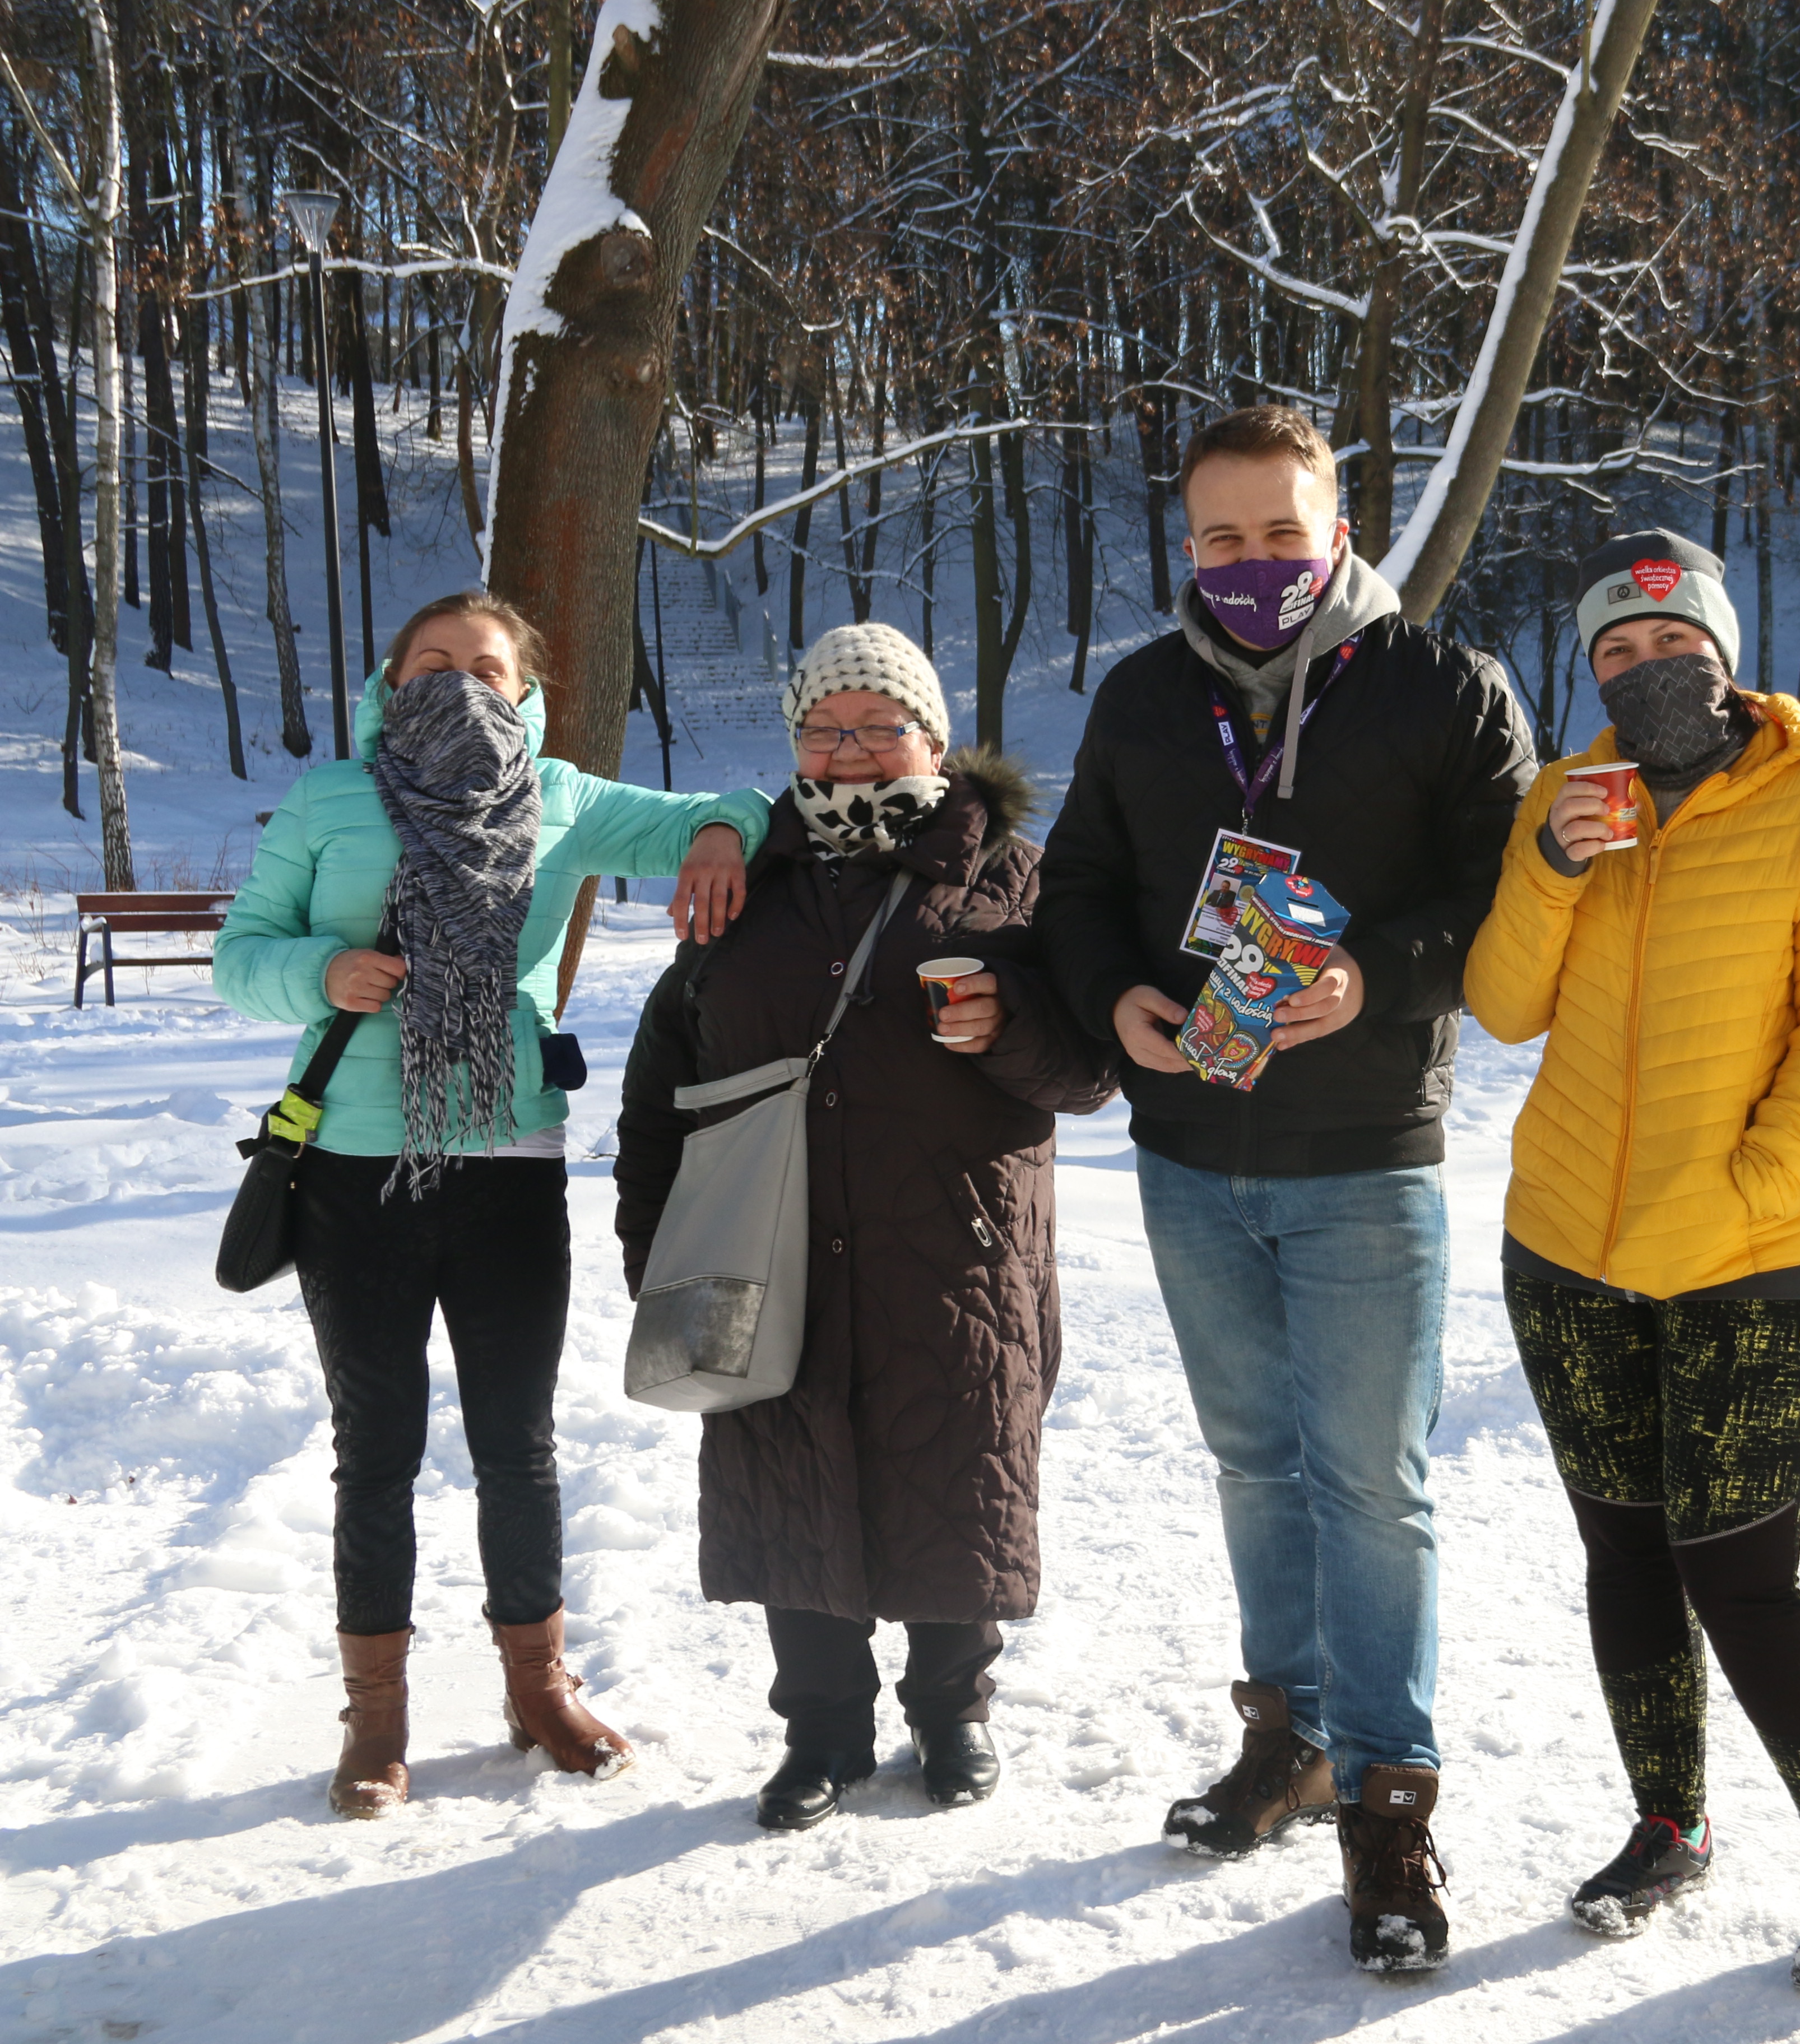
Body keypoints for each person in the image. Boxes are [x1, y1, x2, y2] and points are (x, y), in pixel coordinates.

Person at [1037, 403, 1535, 1972]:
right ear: (1190, 545)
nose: (1251, 563)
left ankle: (1388, 1798)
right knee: (1256, 1465)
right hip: (1190, 1160)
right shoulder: (1141, 697)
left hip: (1367, 1156)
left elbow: (1512, 900)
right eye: (1220, 538)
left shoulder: (1443, 686)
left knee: (1373, 1487)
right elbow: (1080, 889)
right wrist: (1116, 999)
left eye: (1279, 532)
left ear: (1337, 527)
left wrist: (1375, 981)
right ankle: (1293, 1735)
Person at [212, 591, 769, 1820]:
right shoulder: (329, 800)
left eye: (486, 666)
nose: (460, 682)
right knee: (381, 1451)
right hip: (355, 1172)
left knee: (519, 1446)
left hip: (509, 1164)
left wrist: (723, 835)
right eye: (432, 663)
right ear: (390, 681)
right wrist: (320, 971)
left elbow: (733, 812)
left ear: (525, 691)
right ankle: (380, 1718)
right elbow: (238, 956)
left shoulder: (560, 796)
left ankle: (538, 1685)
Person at [1466, 532, 1800, 1989]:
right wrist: (1546, 862)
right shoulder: (1568, 799)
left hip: (1744, 1260)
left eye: (1670, 644)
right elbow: (1505, 1005)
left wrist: (1769, 1178)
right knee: (1626, 1554)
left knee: (1740, 1576)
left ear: (1722, 652)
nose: (1645, 669)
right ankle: (1671, 1823)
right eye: (1615, 651)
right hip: (1568, 1254)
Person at [614, 623, 1119, 1831]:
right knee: (793, 1476)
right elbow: (663, 1074)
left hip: (957, 1247)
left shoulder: (1014, 876)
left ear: (934, 741)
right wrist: (659, 1244)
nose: (849, 750)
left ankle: (955, 1719)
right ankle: (823, 1735)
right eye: (823, 728)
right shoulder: (744, 879)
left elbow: (1092, 1070)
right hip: (767, 1244)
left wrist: (1011, 1027)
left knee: (957, 1478)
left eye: (879, 724)